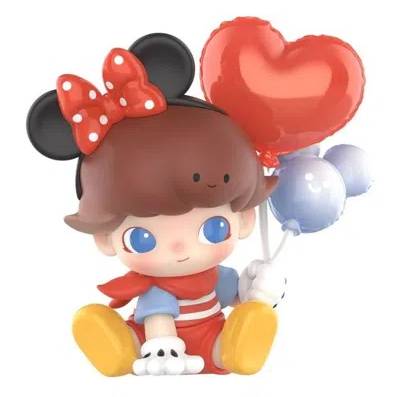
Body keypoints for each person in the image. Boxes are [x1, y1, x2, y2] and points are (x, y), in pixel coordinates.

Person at [26, 33, 285, 376]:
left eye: (213, 228)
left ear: (245, 219)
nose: (179, 247)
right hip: (153, 348)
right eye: (143, 238)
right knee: (135, 337)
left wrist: (255, 290)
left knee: (243, 323)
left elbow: (234, 297)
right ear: (105, 238)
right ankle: (119, 347)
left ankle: (238, 347)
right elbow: (158, 318)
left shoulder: (215, 277)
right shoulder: (154, 288)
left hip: (211, 337)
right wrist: (163, 345)